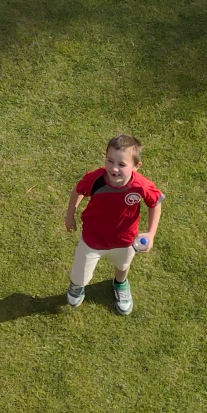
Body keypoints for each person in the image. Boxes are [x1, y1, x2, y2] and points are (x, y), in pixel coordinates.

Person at [64, 134, 164, 315]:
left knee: (123, 265)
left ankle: (120, 284)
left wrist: (151, 234)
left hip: (125, 240)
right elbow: (78, 191)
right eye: (110, 161)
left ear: (136, 166)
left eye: (121, 164)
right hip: (92, 238)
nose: (114, 168)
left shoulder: (140, 185)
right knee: (81, 270)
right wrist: (70, 215)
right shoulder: (95, 179)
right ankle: (77, 285)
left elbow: (155, 202)